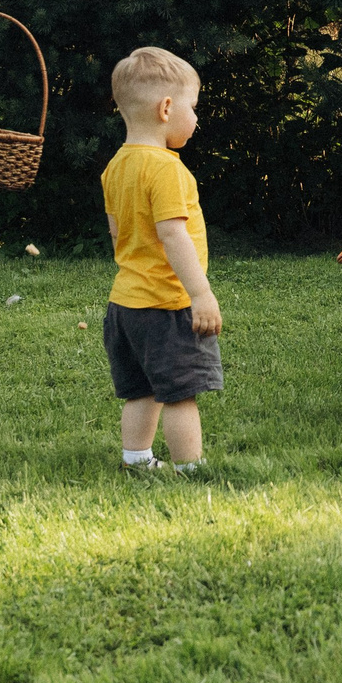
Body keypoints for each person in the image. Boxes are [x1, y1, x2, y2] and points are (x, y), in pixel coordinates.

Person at [100, 46, 224, 472]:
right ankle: (190, 468)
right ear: (167, 108)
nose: (197, 118)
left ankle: (136, 460)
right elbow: (173, 235)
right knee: (179, 393)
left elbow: (118, 232)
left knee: (141, 389)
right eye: (193, 107)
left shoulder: (116, 167)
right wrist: (200, 293)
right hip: (165, 303)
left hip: (125, 305)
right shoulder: (166, 168)